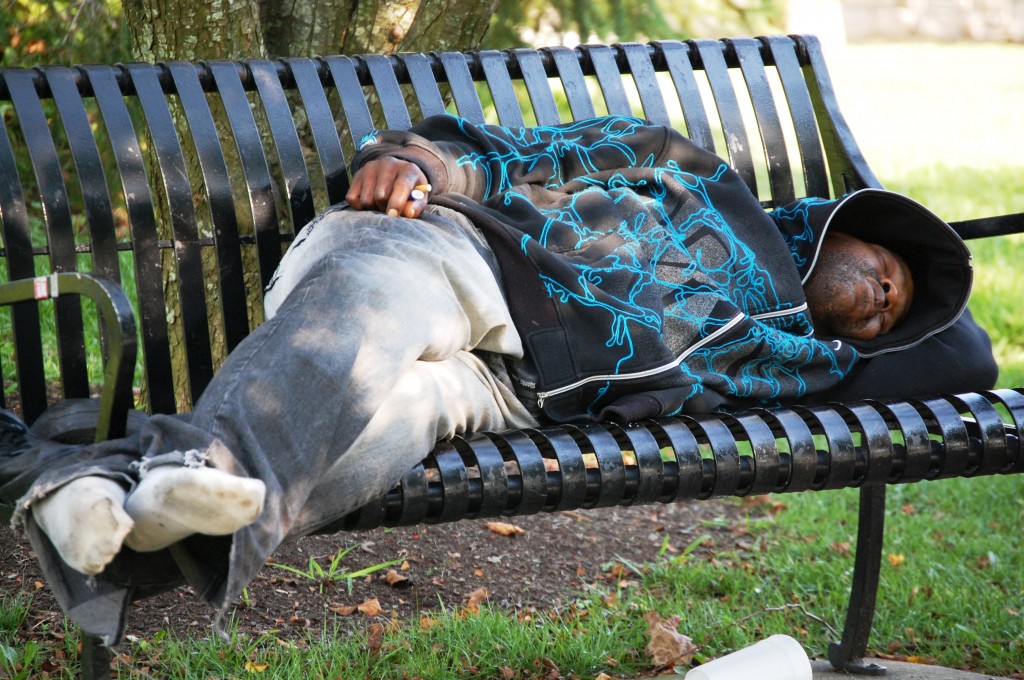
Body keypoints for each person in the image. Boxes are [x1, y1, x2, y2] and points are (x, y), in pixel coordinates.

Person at [0, 115, 995, 646]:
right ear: (845, 221)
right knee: (354, 353)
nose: (876, 300)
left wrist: (906, 333)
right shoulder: (695, 177)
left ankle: (78, 488)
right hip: (459, 255)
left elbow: (966, 361)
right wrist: (414, 163)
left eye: (887, 312)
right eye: (886, 271)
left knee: (374, 432)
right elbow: (517, 151)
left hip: (503, 393)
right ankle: (146, 472)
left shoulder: (795, 365)